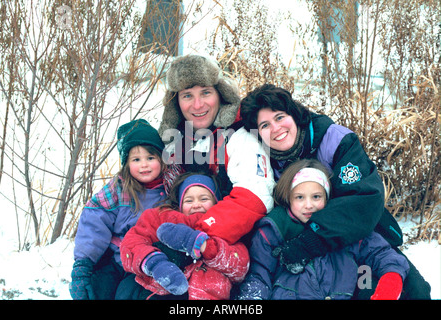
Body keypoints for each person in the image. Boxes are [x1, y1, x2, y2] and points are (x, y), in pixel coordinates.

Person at [239, 84, 431, 299]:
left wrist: (312, 240)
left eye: (280, 117)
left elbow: (362, 199)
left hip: (353, 237)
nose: (275, 128)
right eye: (265, 125)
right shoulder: (256, 155)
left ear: (294, 114)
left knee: (414, 291)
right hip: (291, 249)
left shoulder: (334, 140)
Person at [238, 159, 410, 300]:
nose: (308, 205)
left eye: (316, 197)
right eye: (299, 197)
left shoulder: (344, 228)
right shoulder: (273, 231)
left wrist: (389, 286)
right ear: (288, 198)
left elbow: (383, 255)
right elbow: (259, 276)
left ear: (327, 198)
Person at [157, 54, 275, 245]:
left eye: (206, 93)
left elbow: (255, 198)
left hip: (229, 245)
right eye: (187, 95)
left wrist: (196, 237)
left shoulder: (239, 137)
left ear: (221, 94)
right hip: (178, 235)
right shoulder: (172, 142)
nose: (198, 105)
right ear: (176, 102)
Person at [69, 119, 182, 300]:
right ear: (127, 163)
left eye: (150, 158)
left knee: (127, 295)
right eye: (136, 159)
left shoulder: (172, 188)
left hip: (150, 262)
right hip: (118, 260)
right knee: (97, 290)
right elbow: (94, 220)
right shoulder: (119, 188)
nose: (144, 164)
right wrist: (83, 264)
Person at [117, 172, 250, 300]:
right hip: (158, 291)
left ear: (216, 202)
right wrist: (154, 263)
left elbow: (239, 267)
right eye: (188, 200)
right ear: (180, 205)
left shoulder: (226, 225)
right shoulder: (162, 217)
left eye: (204, 199)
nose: (196, 204)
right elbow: (132, 242)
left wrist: (205, 246)